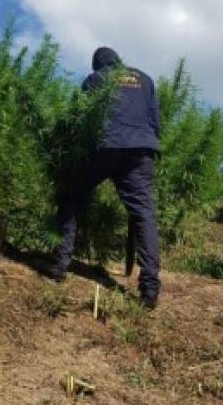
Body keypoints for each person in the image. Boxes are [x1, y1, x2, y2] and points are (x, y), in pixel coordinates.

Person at [48, 47, 162, 309]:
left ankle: (59, 265)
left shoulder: (96, 79)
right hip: (141, 150)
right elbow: (155, 121)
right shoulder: (144, 79)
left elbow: (84, 118)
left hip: (104, 147)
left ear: (98, 65)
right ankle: (150, 288)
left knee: (72, 196)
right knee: (143, 214)